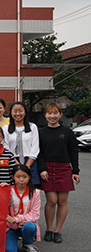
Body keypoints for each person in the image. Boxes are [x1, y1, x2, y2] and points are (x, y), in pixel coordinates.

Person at [37, 102, 80, 244]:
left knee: (62, 202)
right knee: (51, 201)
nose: (52, 116)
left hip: (64, 168)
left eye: (55, 113)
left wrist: (75, 171)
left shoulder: (67, 132)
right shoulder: (41, 132)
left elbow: (73, 152)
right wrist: (42, 169)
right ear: (45, 115)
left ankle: (57, 231)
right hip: (48, 169)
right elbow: (38, 153)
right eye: (49, 113)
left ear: (60, 114)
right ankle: (49, 229)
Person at [6, 165, 41, 252]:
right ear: (13, 177)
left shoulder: (35, 193)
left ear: (29, 177)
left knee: (30, 226)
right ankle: (13, 238)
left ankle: (27, 244)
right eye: (18, 177)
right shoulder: (8, 191)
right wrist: (11, 220)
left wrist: (18, 219)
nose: (21, 180)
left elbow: (35, 213)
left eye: (24, 177)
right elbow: (3, 210)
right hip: (11, 225)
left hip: (25, 223)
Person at [3, 101, 40, 185]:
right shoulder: (6, 128)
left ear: (25, 112)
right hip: (13, 161)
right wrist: (16, 164)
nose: (18, 114)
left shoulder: (32, 127)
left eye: (20, 111)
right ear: (11, 113)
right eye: (15, 111)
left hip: (30, 161)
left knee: (31, 189)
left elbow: (35, 147)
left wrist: (27, 166)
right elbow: (6, 147)